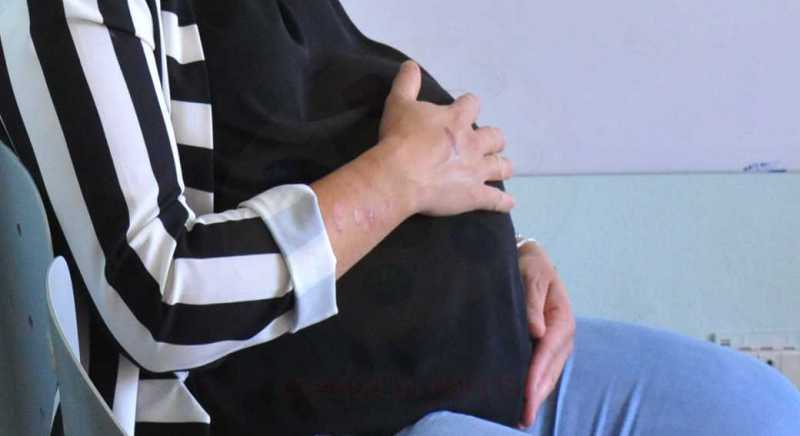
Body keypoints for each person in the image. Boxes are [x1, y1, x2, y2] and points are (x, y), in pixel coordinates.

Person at [0, 1, 797, 435]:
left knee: (764, 413)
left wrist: (508, 253)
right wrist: (399, 181)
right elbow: (159, 299)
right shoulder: (67, 11)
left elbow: (301, 151)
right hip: (334, 412)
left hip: (475, 353)